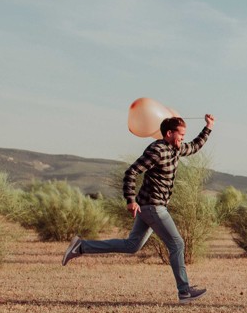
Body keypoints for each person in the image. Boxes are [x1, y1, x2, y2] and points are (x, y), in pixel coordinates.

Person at [62, 114, 216, 303]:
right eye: (181, 134)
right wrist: (130, 200)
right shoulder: (157, 150)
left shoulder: (174, 149)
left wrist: (208, 127)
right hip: (153, 206)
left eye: (184, 135)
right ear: (169, 133)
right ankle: (184, 291)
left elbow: (194, 147)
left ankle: (82, 246)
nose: (183, 138)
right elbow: (132, 172)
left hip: (150, 207)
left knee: (132, 245)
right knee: (177, 244)